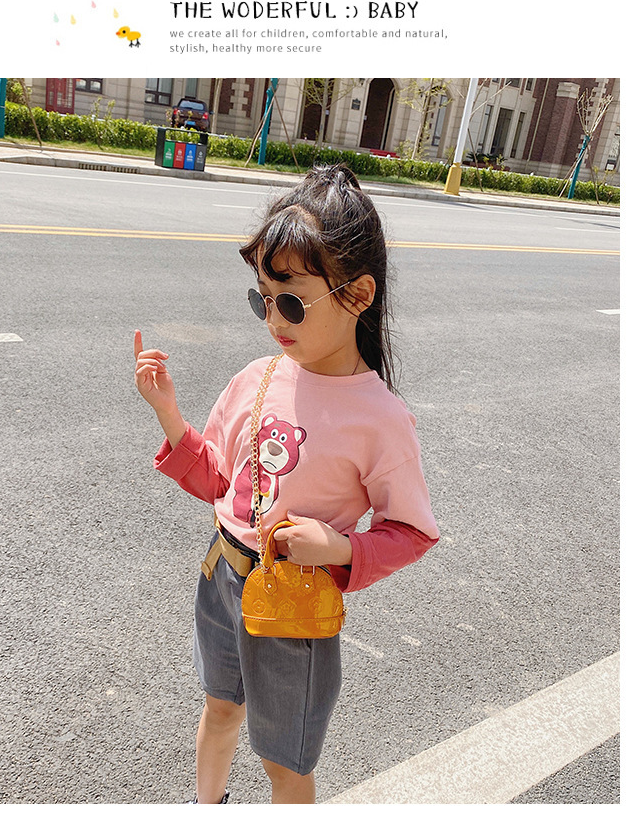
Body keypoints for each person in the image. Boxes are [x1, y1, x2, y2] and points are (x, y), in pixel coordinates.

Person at [134, 164, 439, 804]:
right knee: (220, 707)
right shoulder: (257, 378)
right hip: (223, 573)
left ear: (358, 295)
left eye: (291, 300)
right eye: (262, 298)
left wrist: (340, 548)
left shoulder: (379, 418)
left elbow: (411, 531)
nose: (274, 318)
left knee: (284, 762)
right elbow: (221, 481)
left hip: (295, 602)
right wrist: (170, 417)